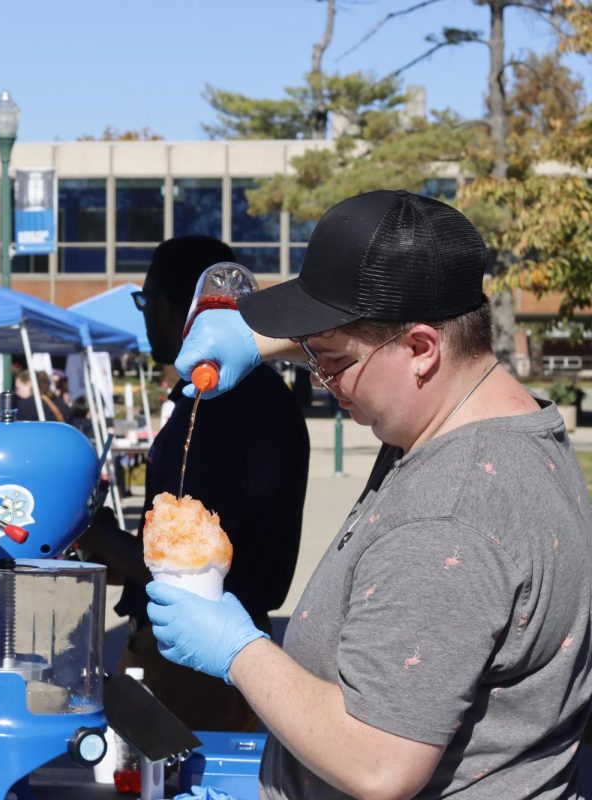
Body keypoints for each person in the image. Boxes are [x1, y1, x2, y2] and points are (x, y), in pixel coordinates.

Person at [151, 190, 592, 798]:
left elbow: (379, 765)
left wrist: (238, 651)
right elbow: (387, 335)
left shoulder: (450, 517)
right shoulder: (475, 410)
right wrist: (260, 338)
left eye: (332, 361)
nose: (325, 381)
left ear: (420, 350)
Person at [78, 235, 309, 732]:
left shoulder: (221, 402)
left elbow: (190, 566)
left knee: (173, 777)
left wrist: (94, 534)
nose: (145, 317)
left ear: (172, 306)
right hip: (221, 639)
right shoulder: (257, 392)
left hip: (197, 651)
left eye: (146, 302)